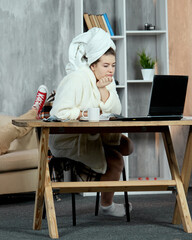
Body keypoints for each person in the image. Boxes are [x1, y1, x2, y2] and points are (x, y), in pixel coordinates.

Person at [49, 28, 134, 217]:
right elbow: (58, 111)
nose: (110, 70)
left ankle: (105, 189)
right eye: (105, 65)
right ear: (92, 65)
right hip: (70, 139)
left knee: (128, 146)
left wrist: (103, 90)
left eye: (113, 65)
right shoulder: (77, 79)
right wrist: (81, 113)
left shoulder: (106, 80)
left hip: (94, 132)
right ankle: (107, 205)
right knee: (117, 159)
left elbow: (117, 110)